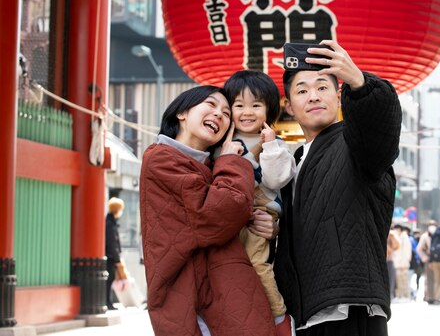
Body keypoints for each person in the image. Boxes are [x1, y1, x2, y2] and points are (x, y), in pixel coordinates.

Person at [274, 40, 402, 336]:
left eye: (322, 87)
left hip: (351, 308)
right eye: (302, 90)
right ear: (289, 106)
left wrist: (361, 83)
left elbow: (380, 129)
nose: (313, 96)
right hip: (307, 313)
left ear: (339, 95)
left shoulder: (356, 143)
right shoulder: (292, 163)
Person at [139, 85, 277, 336]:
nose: (219, 115)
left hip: (218, 290)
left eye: (226, 113)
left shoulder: (207, 165)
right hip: (194, 298)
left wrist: (267, 225)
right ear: (182, 113)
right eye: (211, 105)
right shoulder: (162, 159)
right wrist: (232, 160)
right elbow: (216, 214)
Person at [223, 70, 297, 335]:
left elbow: (276, 180)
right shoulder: (222, 142)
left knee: (256, 264)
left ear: (269, 109)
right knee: (226, 269)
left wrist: (270, 148)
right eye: (239, 105)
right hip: (230, 212)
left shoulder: (276, 145)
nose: (247, 112)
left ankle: (278, 316)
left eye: (256, 105)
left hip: (261, 212)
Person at [105, 197, 125, 310]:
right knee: (109, 279)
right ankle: (108, 302)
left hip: (110, 256)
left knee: (110, 280)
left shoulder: (110, 222)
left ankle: (108, 302)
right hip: (111, 257)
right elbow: (112, 243)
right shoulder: (110, 224)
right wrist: (117, 259)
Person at [417, 220, 438, 304]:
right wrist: (425, 258)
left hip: (438, 260)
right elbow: (419, 249)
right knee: (429, 279)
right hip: (429, 260)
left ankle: (435, 296)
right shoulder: (425, 236)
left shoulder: (438, 235)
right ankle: (429, 296)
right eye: (431, 225)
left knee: (437, 279)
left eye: (434, 225)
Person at [391, 224, 412, 301]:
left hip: (403, 263)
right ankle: (399, 296)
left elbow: (407, 251)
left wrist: (405, 262)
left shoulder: (404, 237)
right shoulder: (398, 237)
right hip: (398, 263)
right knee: (398, 280)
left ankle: (405, 296)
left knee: (403, 280)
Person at [386, 228, 400, 299]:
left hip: (389, 261)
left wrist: (392, 236)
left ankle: (390, 295)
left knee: (391, 280)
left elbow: (397, 246)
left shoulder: (392, 235)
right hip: (382, 261)